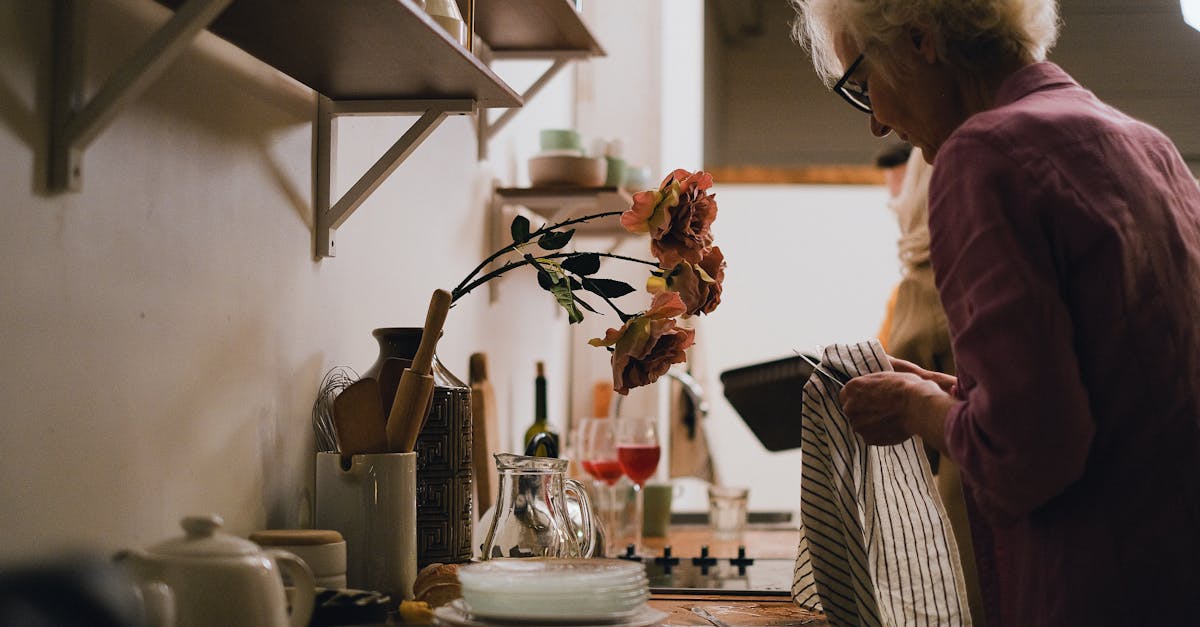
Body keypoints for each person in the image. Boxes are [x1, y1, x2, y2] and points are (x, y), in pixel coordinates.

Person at [791, 1, 1200, 625]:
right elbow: (1116, 397)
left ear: (921, 41)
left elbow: (1026, 459)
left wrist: (911, 407)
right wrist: (956, 396)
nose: (875, 122)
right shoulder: (1147, 146)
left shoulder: (985, 156)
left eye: (864, 85)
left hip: (1094, 586)